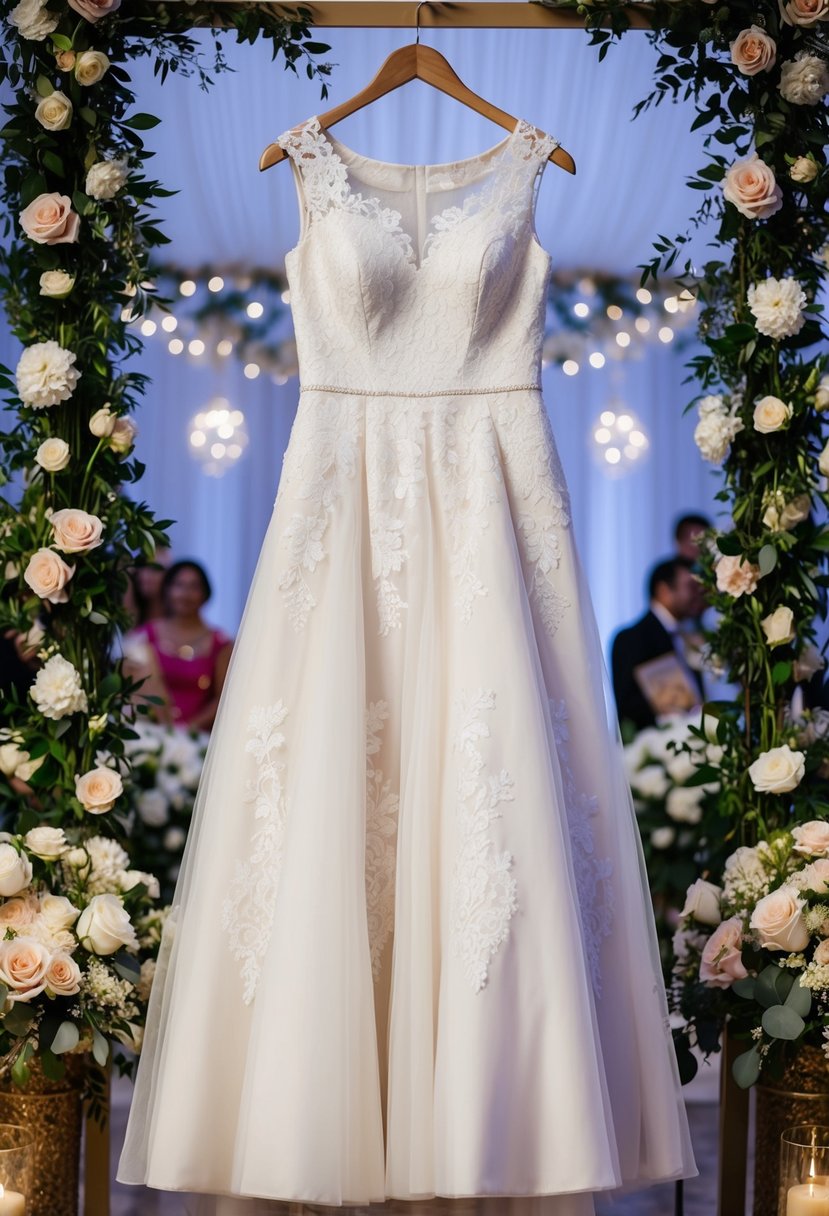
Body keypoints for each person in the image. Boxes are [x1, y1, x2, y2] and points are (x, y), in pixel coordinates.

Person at [119, 114, 694, 1211]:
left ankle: (487, 1117)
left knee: (489, 788)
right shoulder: (300, 161)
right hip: (342, 507)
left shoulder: (530, 164)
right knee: (337, 793)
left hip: (491, 506)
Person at [123, 560, 232, 732]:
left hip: (202, 741)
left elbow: (224, 698)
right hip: (152, 737)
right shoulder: (144, 637)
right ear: (167, 591)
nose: (185, 594)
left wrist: (188, 731)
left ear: (205, 593)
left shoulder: (220, 643)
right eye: (179, 585)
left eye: (194, 587)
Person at [611, 557, 704, 732]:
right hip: (654, 747)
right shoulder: (631, 638)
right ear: (663, 591)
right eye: (690, 587)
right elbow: (627, 706)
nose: (697, 594)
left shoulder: (691, 636)